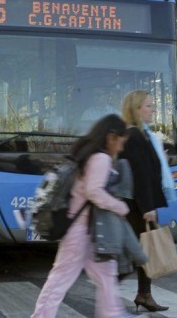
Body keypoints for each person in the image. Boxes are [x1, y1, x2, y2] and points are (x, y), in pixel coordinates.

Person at [32, 114, 130, 318]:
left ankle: (113, 314)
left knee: (106, 276)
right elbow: (94, 192)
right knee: (61, 279)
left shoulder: (90, 155)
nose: (121, 148)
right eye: (121, 142)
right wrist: (119, 207)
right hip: (81, 230)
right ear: (112, 137)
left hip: (91, 230)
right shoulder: (101, 158)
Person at [119, 90, 176, 313]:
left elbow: (147, 168)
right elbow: (139, 175)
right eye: (148, 106)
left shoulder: (141, 135)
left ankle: (144, 294)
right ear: (135, 110)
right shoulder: (134, 136)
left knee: (144, 251)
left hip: (139, 203)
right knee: (138, 252)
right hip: (137, 205)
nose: (152, 110)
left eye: (152, 106)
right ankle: (111, 288)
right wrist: (148, 207)